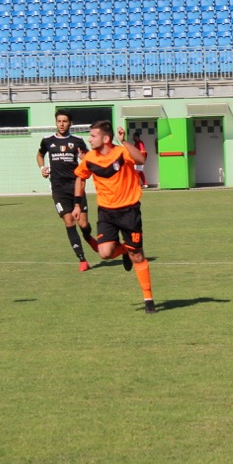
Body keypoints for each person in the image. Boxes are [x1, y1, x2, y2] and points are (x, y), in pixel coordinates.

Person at [73, 122, 155, 313]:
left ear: (106, 138)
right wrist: (77, 204)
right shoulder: (90, 158)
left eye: (93, 136)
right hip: (106, 212)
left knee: (137, 255)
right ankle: (124, 250)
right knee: (105, 253)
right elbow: (80, 178)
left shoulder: (121, 152)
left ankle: (148, 299)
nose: (89, 139)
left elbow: (140, 159)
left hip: (129, 211)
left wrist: (124, 141)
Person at [37, 110, 95, 270]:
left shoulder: (77, 141)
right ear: (56, 122)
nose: (62, 124)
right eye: (59, 121)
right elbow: (40, 155)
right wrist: (42, 168)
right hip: (58, 188)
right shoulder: (47, 141)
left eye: (65, 121)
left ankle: (88, 236)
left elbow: (90, 158)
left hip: (76, 186)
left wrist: (85, 159)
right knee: (69, 220)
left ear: (70, 123)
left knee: (83, 223)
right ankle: (82, 259)